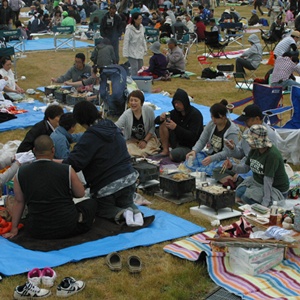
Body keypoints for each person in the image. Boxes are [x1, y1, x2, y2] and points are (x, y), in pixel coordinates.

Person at [62, 101, 144, 226]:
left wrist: (56, 162)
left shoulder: (90, 137)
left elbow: (74, 163)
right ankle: (135, 212)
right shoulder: (111, 125)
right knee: (126, 201)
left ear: (80, 120)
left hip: (107, 185)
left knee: (100, 208)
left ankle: (122, 214)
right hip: (129, 178)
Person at [3, 135, 98, 239]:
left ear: (34, 150)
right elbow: (80, 193)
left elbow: (19, 202)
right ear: (53, 150)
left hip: (36, 229)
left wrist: (14, 229)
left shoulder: (20, 173)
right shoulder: (67, 169)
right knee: (91, 204)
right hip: (67, 226)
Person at [213, 104, 279, 187]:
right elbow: (240, 154)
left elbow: (267, 163)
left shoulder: (268, 134)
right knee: (217, 170)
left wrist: (241, 173)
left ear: (257, 119)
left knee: (243, 178)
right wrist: (233, 148)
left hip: (259, 170)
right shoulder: (247, 132)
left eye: (247, 120)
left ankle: (235, 183)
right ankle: (234, 183)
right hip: (245, 166)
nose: (245, 123)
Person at [224, 125, 289, 207]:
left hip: (275, 188)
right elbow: (245, 168)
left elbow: (268, 180)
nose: (248, 142)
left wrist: (265, 203)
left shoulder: (272, 155)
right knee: (238, 193)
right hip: (258, 182)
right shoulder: (254, 150)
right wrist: (231, 166)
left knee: (246, 198)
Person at [185, 100, 240, 176]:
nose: (213, 120)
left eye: (216, 118)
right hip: (210, 155)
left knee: (215, 169)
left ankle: (200, 171)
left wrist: (212, 158)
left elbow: (228, 152)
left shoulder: (232, 131)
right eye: (212, 117)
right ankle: (202, 171)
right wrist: (194, 151)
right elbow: (202, 140)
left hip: (223, 159)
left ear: (224, 117)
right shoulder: (211, 124)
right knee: (190, 159)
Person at [154, 88, 204, 162]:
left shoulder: (195, 115)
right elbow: (156, 121)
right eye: (175, 103)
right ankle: (165, 150)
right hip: (177, 142)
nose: (176, 105)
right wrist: (161, 118)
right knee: (164, 123)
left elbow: (193, 136)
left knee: (174, 155)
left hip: (190, 146)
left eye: (179, 103)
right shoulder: (175, 113)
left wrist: (176, 127)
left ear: (185, 102)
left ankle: (176, 152)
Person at [115, 90, 161, 157]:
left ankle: (139, 154)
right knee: (129, 150)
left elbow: (152, 127)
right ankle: (140, 154)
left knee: (147, 149)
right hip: (133, 140)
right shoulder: (126, 114)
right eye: (131, 100)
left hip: (148, 138)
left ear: (141, 102)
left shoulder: (149, 111)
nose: (133, 103)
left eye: (136, 101)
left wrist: (145, 141)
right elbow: (117, 125)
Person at [123, 12, 147, 76]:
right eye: (139, 19)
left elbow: (143, 39)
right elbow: (126, 41)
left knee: (140, 67)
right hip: (132, 51)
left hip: (139, 50)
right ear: (135, 20)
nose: (141, 20)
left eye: (141, 19)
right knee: (134, 68)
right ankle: (133, 81)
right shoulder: (129, 29)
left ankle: (139, 81)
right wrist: (125, 52)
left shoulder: (142, 27)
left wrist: (145, 48)